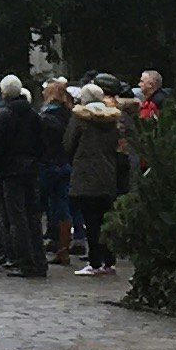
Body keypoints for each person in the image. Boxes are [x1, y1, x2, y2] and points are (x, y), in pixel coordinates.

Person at [0, 74, 47, 276]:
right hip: (31, 168)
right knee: (33, 216)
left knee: (17, 218)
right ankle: (39, 260)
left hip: (11, 170)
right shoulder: (33, 114)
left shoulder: (3, 115)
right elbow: (40, 143)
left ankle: (26, 262)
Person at [65, 80, 123, 275]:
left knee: (90, 220)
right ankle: (109, 261)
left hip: (85, 174)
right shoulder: (112, 119)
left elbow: (68, 144)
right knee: (106, 218)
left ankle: (95, 262)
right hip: (107, 172)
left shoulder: (80, 118)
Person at [35, 74, 79, 266]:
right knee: (62, 206)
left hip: (47, 164)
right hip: (64, 163)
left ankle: (45, 244)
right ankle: (63, 247)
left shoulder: (45, 116)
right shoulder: (69, 114)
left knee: (41, 205)